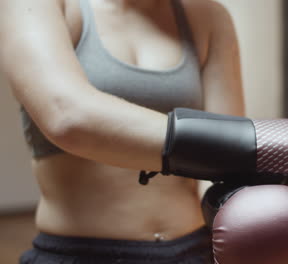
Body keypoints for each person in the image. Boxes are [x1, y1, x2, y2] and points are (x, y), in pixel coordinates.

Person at [0, 0, 244, 263]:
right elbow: (67, 117)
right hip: (78, 254)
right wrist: (253, 144)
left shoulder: (207, 15)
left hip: (193, 251)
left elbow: (230, 157)